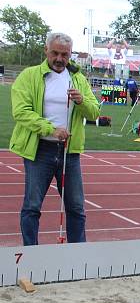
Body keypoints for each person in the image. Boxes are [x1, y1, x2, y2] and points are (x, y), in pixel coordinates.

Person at [10, 32, 100, 246]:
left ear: (71, 55)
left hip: (69, 152)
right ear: (46, 51)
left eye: (65, 54)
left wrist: (82, 102)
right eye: (55, 53)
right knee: (32, 206)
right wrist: (51, 129)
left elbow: (94, 112)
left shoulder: (78, 79)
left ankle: (77, 254)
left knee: (76, 207)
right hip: (39, 150)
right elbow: (21, 112)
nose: (60, 59)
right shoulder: (29, 76)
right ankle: (31, 254)